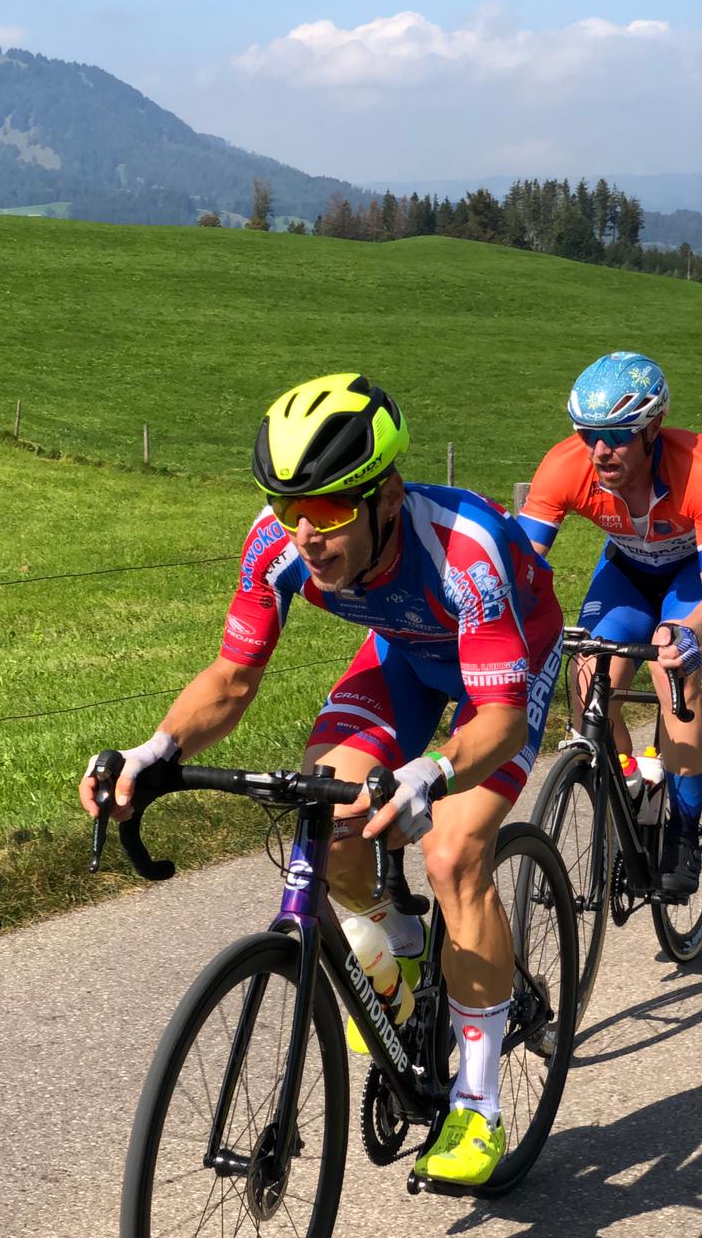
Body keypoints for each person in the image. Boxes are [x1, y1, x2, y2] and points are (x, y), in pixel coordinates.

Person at [81, 372, 564, 1187]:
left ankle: (478, 1106)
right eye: (287, 507)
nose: (306, 534)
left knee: (451, 853)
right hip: (407, 659)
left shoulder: (466, 549)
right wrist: (154, 750)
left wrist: (433, 771)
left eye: (332, 509)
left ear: (388, 497)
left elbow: (501, 722)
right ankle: (404, 948)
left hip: (506, 673)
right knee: (326, 813)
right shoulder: (277, 543)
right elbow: (232, 679)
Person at [519, 351, 702, 897]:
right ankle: (630, 786)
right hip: (626, 572)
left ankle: (683, 829)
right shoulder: (565, 466)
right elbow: (519, 569)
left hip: (689, 576)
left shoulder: (694, 469)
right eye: (588, 434)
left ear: (653, 429)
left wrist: (689, 632)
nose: (600, 451)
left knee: (675, 672)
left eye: (617, 436)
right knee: (587, 676)